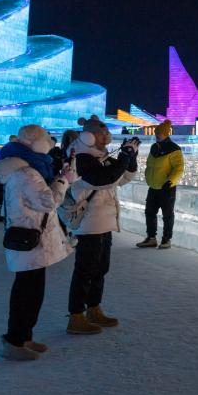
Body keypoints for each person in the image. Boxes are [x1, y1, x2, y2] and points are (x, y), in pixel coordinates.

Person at [0, 124, 77, 360]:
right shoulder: (26, 172)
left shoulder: (24, 167)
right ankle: (15, 342)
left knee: (31, 291)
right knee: (26, 293)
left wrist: (59, 177)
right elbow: (47, 201)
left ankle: (24, 337)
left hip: (30, 238)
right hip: (29, 239)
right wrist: (64, 181)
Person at [65, 115, 138, 335]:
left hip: (104, 219)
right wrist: (124, 158)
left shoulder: (100, 155)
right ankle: (76, 316)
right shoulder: (82, 158)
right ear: (87, 136)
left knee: (100, 268)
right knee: (85, 270)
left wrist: (130, 157)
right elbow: (103, 179)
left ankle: (94, 308)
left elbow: (121, 178)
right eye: (101, 133)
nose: (106, 137)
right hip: (90, 222)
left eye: (106, 133)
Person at [137, 120, 184, 250]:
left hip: (166, 187)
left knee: (167, 214)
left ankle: (166, 239)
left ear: (166, 133)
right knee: (149, 212)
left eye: (160, 133)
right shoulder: (154, 147)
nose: (157, 134)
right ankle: (151, 238)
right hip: (153, 186)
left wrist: (171, 181)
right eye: (156, 132)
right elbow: (150, 165)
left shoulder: (174, 148)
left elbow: (178, 168)